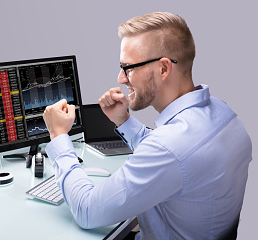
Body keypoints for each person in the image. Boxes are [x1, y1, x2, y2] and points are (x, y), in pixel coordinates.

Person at [42, 12, 251, 239]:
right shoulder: (223, 112)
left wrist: (58, 136)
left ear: (163, 69)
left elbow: (87, 211)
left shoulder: (169, 148)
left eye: (129, 67)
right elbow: (177, 160)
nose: (121, 79)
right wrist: (124, 121)